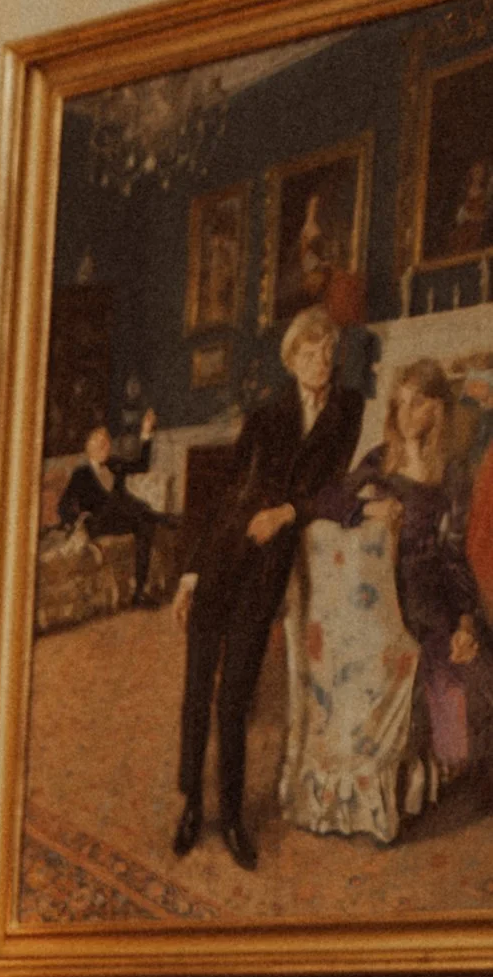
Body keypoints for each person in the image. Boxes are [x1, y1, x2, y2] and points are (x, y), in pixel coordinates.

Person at [172, 305, 364, 870]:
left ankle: (231, 813)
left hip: (268, 569)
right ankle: (190, 804)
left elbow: (332, 492)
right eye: (308, 351)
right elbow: (224, 498)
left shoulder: (347, 411)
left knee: (236, 695)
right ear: (291, 359)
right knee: (196, 691)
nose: (320, 360)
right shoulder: (265, 416)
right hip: (223, 560)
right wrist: (190, 575)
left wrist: (286, 512)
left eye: (327, 350)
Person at [316, 358, 492, 807]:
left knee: (469, 646)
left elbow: (454, 556)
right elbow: (329, 499)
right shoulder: (380, 459)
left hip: (435, 585)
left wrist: (467, 620)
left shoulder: (452, 471)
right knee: (431, 645)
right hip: (384, 588)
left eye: (418, 402)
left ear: (438, 409)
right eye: (400, 403)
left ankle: (461, 766)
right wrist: (365, 510)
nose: (406, 412)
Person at [56, 410, 164, 601]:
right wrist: (74, 522)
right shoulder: (81, 474)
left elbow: (142, 465)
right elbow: (63, 505)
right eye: (100, 443)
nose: (105, 447)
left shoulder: (114, 464)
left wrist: (146, 433)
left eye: (107, 442)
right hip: (98, 524)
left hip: (118, 519)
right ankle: (161, 517)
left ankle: (139, 591)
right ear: (89, 447)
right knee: (133, 509)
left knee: (144, 523)